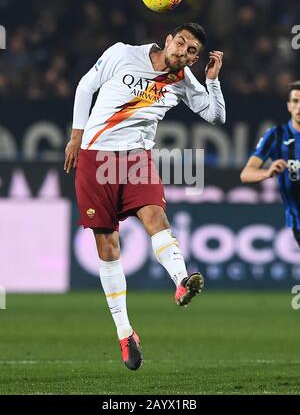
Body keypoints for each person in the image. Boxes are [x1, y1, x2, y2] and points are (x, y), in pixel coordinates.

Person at [64, 22, 226, 370]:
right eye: (181, 42)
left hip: (137, 159)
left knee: (156, 218)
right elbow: (85, 86)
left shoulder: (183, 81)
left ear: (195, 59)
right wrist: (76, 136)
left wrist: (212, 80)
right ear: (168, 40)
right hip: (95, 155)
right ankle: (125, 334)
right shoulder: (122, 53)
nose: (183, 51)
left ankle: (182, 282)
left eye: (192, 51)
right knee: (107, 246)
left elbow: (216, 115)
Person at [240, 80, 300, 247]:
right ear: (289, 105)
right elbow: (246, 174)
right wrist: (267, 173)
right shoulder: (276, 136)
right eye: (295, 101)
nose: (299, 107)